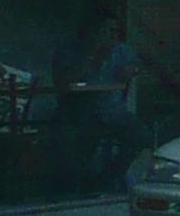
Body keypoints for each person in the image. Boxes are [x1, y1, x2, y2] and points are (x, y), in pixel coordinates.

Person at [48, 18, 145, 191]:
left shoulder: (119, 50)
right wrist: (91, 54)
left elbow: (136, 63)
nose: (112, 35)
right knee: (76, 136)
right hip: (76, 110)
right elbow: (63, 81)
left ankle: (106, 177)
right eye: (107, 30)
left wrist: (132, 69)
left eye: (115, 30)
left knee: (140, 136)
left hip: (112, 109)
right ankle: (77, 182)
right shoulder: (70, 51)